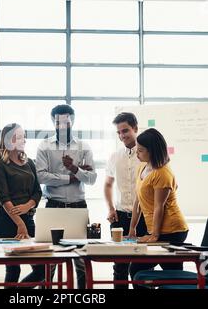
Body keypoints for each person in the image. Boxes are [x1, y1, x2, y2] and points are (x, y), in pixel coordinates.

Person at [36, 104, 97, 289]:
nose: (62, 126)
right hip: (54, 206)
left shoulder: (84, 146)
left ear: (72, 121)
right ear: (53, 123)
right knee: (50, 260)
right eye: (58, 122)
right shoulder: (44, 146)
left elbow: (92, 178)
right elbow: (41, 176)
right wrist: (72, 176)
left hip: (78, 207)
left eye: (66, 122)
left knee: (82, 259)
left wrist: (74, 168)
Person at [129, 128, 189, 286]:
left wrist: (154, 235)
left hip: (173, 231)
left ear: (153, 151)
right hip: (158, 230)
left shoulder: (163, 173)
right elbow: (138, 201)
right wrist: (132, 229)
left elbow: (158, 207)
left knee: (171, 277)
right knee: (138, 271)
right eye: (137, 149)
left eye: (141, 150)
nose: (137, 154)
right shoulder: (142, 168)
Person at [0, 123, 45, 287]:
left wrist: (28, 206)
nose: (24, 140)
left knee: (42, 269)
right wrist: (19, 223)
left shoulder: (29, 162)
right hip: (6, 221)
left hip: (28, 219)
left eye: (24, 136)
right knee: (13, 269)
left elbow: (37, 192)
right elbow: (4, 197)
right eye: (20, 137)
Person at [104, 112, 147, 289]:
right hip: (120, 217)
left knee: (141, 265)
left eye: (126, 131)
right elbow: (108, 185)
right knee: (119, 266)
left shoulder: (147, 155)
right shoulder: (115, 156)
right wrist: (110, 208)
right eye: (119, 132)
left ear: (135, 128)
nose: (122, 136)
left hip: (144, 217)